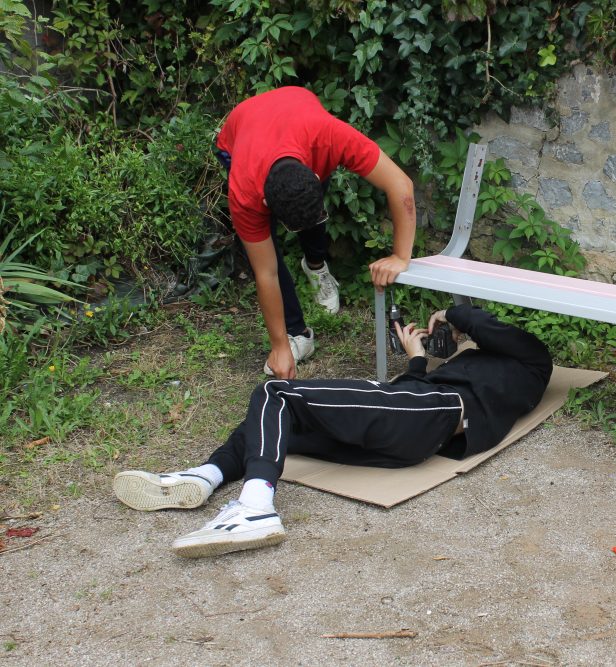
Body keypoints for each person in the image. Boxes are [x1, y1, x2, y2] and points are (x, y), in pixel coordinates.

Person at [112, 304, 553, 558]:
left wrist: (448, 313)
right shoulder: (482, 375)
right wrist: (418, 359)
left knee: (275, 393)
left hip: (428, 414)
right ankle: (205, 476)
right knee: (273, 420)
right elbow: (407, 399)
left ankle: (256, 507)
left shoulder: (534, 360)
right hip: (415, 434)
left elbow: (484, 329)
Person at [215, 86, 416, 379]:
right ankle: (297, 333)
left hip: (299, 111)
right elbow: (266, 273)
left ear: (316, 174)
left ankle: (315, 265)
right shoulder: (244, 191)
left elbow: (401, 185)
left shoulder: (330, 137)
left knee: (310, 212)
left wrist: (400, 256)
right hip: (241, 131)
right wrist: (279, 346)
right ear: (265, 203)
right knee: (265, 252)